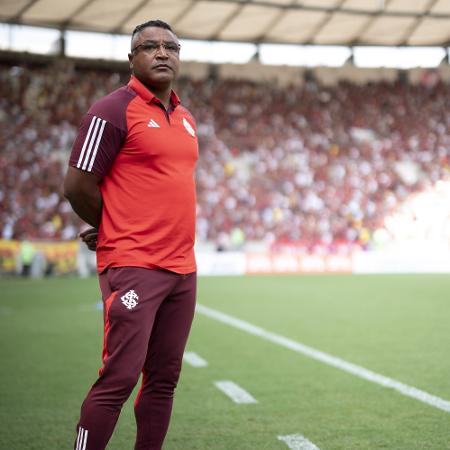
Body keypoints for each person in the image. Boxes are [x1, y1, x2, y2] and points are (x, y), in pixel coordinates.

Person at [64, 19, 198, 450]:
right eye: (150, 46)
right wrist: (111, 226)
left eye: (170, 47)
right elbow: (78, 185)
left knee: (163, 381)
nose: (162, 53)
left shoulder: (185, 118)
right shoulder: (111, 110)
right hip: (135, 265)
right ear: (132, 58)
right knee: (119, 378)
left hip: (182, 270)